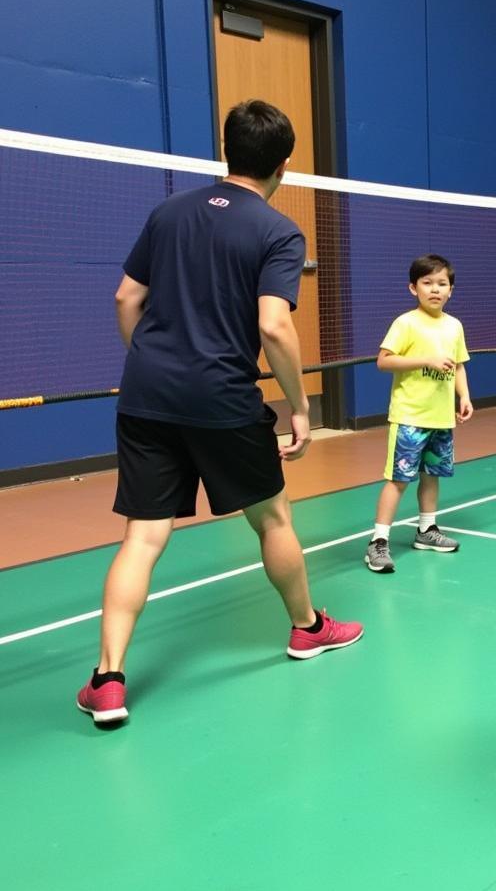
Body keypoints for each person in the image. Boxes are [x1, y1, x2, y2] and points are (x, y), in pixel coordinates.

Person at [77, 100, 362, 726]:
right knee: (272, 518)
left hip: (146, 395)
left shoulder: (168, 212)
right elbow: (274, 325)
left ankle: (107, 680)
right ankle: (307, 628)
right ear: (284, 164)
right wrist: (300, 408)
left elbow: (128, 296)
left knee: (144, 537)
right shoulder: (279, 230)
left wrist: (153, 362)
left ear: (225, 150)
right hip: (224, 399)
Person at [364, 254, 472, 573]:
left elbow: (459, 364)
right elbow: (384, 361)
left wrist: (463, 396)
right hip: (410, 416)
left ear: (451, 290)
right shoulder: (406, 323)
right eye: (427, 283)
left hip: (440, 417)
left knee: (431, 475)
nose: (435, 289)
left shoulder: (454, 326)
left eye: (442, 283)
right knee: (398, 479)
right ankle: (378, 542)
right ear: (414, 288)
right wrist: (424, 359)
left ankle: (426, 530)